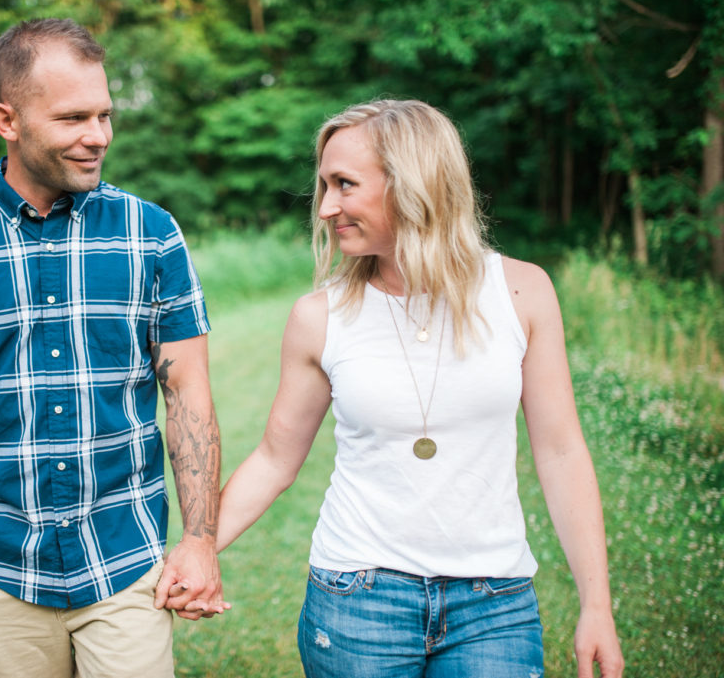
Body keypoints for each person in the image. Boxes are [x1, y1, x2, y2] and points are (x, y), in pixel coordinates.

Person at [214, 99, 624, 678]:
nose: (327, 206)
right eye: (324, 186)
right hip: (358, 599)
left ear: (412, 184)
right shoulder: (319, 316)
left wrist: (597, 607)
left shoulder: (523, 293)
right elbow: (275, 460)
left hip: (495, 603)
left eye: (345, 184)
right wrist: (200, 549)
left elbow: (560, 453)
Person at [0, 18, 225, 678]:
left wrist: (200, 539)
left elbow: (188, 393)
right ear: (7, 120)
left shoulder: (151, 235)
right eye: (73, 118)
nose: (97, 136)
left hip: (126, 565)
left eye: (104, 115)